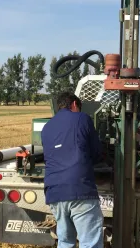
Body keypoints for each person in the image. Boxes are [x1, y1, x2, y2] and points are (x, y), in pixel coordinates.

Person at [41, 92, 104, 248]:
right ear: (75, 104)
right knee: (90, 243)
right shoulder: (82, 118)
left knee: (65, 242)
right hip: (79, 189)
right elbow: (97, 153)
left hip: (54, 192)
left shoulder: (46, 127)